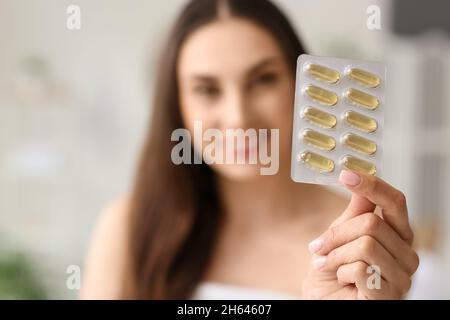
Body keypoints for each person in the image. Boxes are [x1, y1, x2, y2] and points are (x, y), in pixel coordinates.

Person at [81, 0, 419, 299]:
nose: (238, 118)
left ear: (302, 86)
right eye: (207, 89)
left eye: (263, 80)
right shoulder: (129, 229)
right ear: (177, 107)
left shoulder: (362, 243)